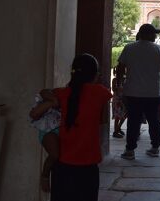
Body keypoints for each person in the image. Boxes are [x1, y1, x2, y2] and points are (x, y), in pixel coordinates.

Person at [34, 53, 112, 201]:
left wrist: (53, 100)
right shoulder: (100, 92)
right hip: (88, 166)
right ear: (95, 74)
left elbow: (43, 92)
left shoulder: (62, 94)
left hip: (63, 166)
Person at [116, 23, 160, 159]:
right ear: (147, 34)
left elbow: (120, 67)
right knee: (154, 120)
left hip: (133, 92)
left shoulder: (129, 48)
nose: (155, 35)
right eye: (153, 33)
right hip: (153, 93)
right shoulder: (158, 49)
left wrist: (119, 84)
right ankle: (155, 148)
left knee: (133, 122)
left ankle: (130, 150)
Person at [29, 91, 61, 192]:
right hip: (48, 131)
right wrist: (52, 101)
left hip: (62, 128)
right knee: (55, 154)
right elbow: (34, 114)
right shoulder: (48, 98)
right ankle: (45, 175)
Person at [111, 66, 126, 138]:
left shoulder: (125, 79)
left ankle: (118, 128)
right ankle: (115, 131)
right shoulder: (115, 80)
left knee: (124, 115)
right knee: (117, 116)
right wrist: (120, 88)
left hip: (123, 99)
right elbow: (114, 89)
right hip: (117, 99)